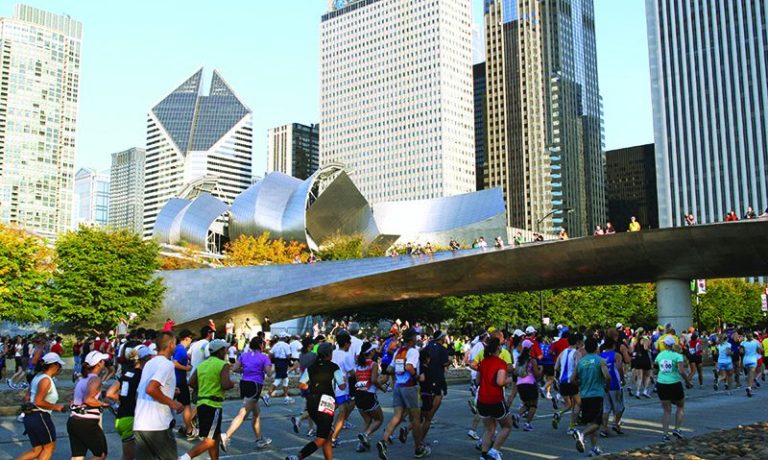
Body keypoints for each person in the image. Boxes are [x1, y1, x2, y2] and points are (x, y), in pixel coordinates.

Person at [286, 342, 345, 460]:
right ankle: (298, 457)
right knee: (321, 438)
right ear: (329, 354)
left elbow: (302, 384)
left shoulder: (311, 367)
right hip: (326, 403)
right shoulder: (334, 367)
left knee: (327, 434)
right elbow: (342, 386)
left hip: (312, 402)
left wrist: (312, 389)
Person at [377, 328, 431, 459]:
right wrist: (417, 377)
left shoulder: (398, 351)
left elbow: (390, 369)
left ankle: (383, 441)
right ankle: (418, 449)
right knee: (416, 419)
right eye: (415, 337)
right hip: (409, 387)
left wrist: (398, 371)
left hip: (398, 387)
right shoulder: (413, 351)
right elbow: (409, 367)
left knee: (397, 416)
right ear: (412, 338)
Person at [179, 339, 235, 460]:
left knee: (212, 439)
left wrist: (203, 388)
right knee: (210, 441)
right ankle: (185, 457)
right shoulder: (222, 365)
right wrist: (232, 384)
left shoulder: (202, 364)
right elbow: (225, 385)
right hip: (213, 405)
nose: (225, 352)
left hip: (201, 404)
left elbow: (191, 382)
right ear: (219, 351)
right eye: (224, 349)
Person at [134, 331, 184, 460]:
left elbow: (141, 390)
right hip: (157, 424)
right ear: (171, 345)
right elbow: (151, 389)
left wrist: (170, 391)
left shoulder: (150, 363)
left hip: (141, 423)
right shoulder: (167, 364)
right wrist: (173, 403)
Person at [221, 337, 273, 451]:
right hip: (255, 385)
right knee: (243, 413)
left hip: (244, 383)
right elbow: (269, 373)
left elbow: (234, 368)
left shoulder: (244, 355)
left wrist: (245, 370)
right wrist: (269, 367)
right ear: (260, 345)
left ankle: (260, 439)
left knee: (256, 412)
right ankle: (226, 435)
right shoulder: (264, 357)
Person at [106, 346, 154, 460]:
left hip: (121, 417)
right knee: (130, 457)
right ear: (146, 359)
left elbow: (109, 393)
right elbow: (139, 398)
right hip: (132, 418)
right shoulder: (143, 376)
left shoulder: (127, 373)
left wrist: (125, 398)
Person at [15, 352, 66, 460]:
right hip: (40, 416)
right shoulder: (46, 380)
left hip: (30, 417)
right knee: (49, 447)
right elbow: (38, 402)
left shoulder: (37, 377)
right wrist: (57, 407)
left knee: (37, 450)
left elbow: (27, 398)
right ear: (54, 365)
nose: (60, 368)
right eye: (59, 365)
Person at [68, 350, 111, 460]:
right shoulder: (95, 379)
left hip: (74, 420)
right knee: (100, 454)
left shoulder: (83, 378)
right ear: (99, 364)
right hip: (87, 423)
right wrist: (104, 404)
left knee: (77, 456)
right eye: (103, 361)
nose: (104, 363)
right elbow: (88, 400)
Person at [477, 337, 514, 460]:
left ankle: (483, 455)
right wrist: (511, 379)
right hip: (495, 399)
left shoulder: (483, 362)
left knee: (489, 429)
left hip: (482, 399)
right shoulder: (500, 363)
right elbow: (500, 382)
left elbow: (477, 380)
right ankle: (494, 451)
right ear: (499, 348)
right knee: (507, 425)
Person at [573, 337, 609, 457]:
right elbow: (607, 376)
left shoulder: (581, 362)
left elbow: (572, 379)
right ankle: (582, 435)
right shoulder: (600, 360)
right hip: (597, 394)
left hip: (585, 395)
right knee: (597, 423)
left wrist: (580, 384)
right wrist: (606, 385)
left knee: (591, 423)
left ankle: (594, 448)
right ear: (596, 347)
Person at [655, 335, 691, 441]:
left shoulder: (660, 355)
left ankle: (665, 434)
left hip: (661, 383)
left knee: (666, 410)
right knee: (680, 406)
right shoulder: (677, 356)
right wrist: (687, 381)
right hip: (674, 383)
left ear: (665, 345)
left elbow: (656, 368)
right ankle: (677, 428)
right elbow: (681, 370)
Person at [353, 342, 385, 453]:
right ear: (370, 352)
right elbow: (374, 380)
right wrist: (382, 388)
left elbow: (358, 380)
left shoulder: (357, 364)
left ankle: (360, 445)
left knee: (367, 420)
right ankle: (365, 435)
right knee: (379, 419)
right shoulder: (373, 364)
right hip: (369, 396)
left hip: (359, 395)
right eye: (374, 350)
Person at [553, 332, 582, 434]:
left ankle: (559, 413)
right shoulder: (577, 353)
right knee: (579, 403)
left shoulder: (562, 352)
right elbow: (579, 368)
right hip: (572, 381)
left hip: (562, 381)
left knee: (569, 404)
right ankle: (571, 426)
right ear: (577, 342)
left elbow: (556, 367)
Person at [330, 332, 356, 446]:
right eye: (349, 343)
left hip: (330, 386)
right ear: (346, 343)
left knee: (329, 411)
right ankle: (333, 438)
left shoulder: (331, 353)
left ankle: (329, 434)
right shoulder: (346, 356)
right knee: (342, 414)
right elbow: (352, 373)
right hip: (342, 388)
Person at [173, 329, 196, 440]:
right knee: (187, 406)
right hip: (180, 380)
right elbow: (175, 363)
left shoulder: (177, 348)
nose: (191, 341)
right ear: (186, 338)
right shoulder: (181, 349)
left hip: (175, 379)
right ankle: (189, 430)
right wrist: (186, 368)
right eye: (191, 338)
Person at [599, 338, 625, 437]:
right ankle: (616, 423)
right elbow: (619, 368)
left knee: (606, 407)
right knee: (619, 406)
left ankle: (604, 428)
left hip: (604, 383)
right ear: (614, 346)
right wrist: (622, 378)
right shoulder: (616, 355)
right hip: (614, 382)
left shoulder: (600, 356)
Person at [515, 339, 542, 431]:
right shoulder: (532, 360)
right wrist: (541, 369)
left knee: (526, 403)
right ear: (530, 348)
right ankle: (527, 424)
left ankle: (517, 416)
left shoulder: (518, 359)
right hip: (530, 383)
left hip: (520, 384)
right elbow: (537, 374)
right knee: (533, 405)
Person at [264, 333, 294, 405]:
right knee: (278, 380)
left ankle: (286, 397)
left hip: (277, 362)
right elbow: (288, 355)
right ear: (285, 338)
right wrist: (290, 361)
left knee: (285, 379)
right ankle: (267, 395)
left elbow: (270, 354)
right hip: (283, 363)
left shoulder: (276, 345)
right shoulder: (286, 345)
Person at [630, 328, 653, 398]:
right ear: (643, 333)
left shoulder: (635, 340)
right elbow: (646, 348)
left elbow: (632, 349)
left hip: (638, 359)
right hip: (645, 358)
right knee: (648, 375)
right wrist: (649, 344)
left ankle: (637, 392)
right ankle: (645, 391)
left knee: (639, 377)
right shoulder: (645, 339)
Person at [741, 332, 763, 397]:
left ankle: (749, 387)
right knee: (751, 374)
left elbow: (741, 352)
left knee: (749, 374)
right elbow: (760, 350)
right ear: (752, 337)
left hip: (745, 360)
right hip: (753, 360)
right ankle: (749, 387)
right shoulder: (756, 342)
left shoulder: (743, 343)